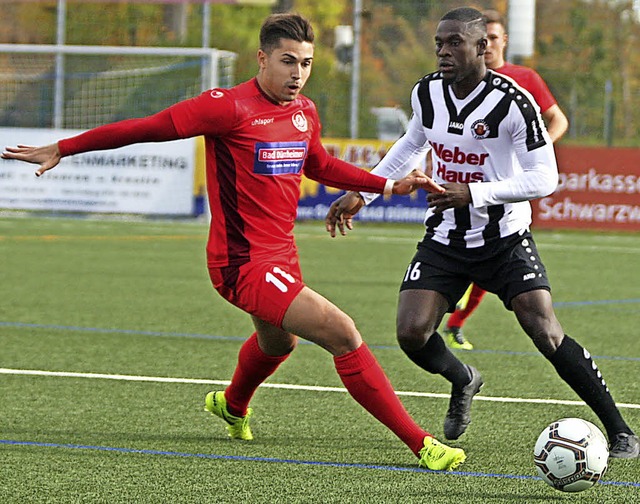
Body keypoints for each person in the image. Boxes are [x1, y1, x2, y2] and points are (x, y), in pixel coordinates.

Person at [2, 13, 469, 471]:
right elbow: (145, 127)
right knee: (342, 333)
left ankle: (231, 403)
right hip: (240, 263)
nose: (298, 74)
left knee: (278, 344)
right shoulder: (226, 106)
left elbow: (319, 165)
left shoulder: (304, 111)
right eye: (288, 62)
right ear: (262, 59)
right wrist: (65, 146)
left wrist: (386, 186)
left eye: (306, 64)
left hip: (281, 254)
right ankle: (421, 443)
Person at [325, 7, 638, 458]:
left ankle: (619, 428)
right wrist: (367, 191)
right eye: (439, 43)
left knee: (545, 329)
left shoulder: (513, 101)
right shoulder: (427, 93)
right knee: (411, 333)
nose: (443, 51)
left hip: (505, 239)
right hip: (446, 238)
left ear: (482, 47)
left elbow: (544, 178)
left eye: (454, 42)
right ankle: (463, 378)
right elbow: (411, 144)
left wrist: (475, 193)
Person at [441, 8, 570, 351]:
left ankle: (455, 320)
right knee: (459, 251)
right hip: (462, 191)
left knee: (499, 254)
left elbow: (558, 120)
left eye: (495, 39)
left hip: (506, 189)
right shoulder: (454, 81)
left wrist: (535, 148)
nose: (490, 46)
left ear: (500, 41)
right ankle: (446, 307)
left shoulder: (523, 79)